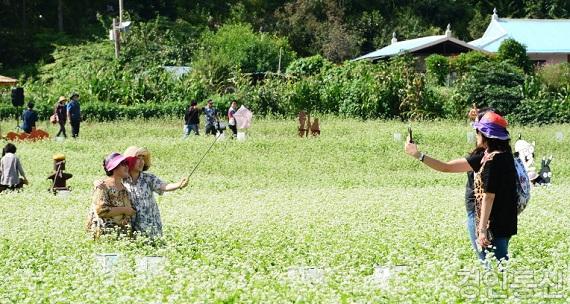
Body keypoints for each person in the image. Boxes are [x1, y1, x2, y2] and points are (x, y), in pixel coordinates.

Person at [404, 108, 496, 261]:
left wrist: (417, 155)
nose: (475, 132)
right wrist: (477, 117)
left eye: (478, 130)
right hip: (500, 215)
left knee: (487, 262)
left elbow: (446, 167)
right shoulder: (502, 152)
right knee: (499, 259)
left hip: (480, 214)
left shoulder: (482, 157)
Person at [473, 112, 517, 263]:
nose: (476, 135)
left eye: (478, 132)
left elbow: (489, 196)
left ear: (486, 135)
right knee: (499, 263)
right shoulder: (506, 155)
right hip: (506, 220)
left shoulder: (493, 160)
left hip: (494, 224)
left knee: (496, 267)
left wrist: (482, 229)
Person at [121, 146, 188, 240]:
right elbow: (109, 182)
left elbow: (164, 186)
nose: (141, 162)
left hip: (149, 223)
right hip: (130, 224)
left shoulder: (148, 178)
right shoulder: (122, 179)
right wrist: (98, 183)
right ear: (130, 160)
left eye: (143, 159)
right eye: (137, 159)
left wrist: (179, 184)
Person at [86, 153, 136, 239]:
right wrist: (125, 210)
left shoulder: (124, 188)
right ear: (114, 167)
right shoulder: (103, 186)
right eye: (123, 164)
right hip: (104, 235)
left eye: (126, 164)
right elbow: (101, 210)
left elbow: (129, 211)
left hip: (121, 235)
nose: (127, 167)